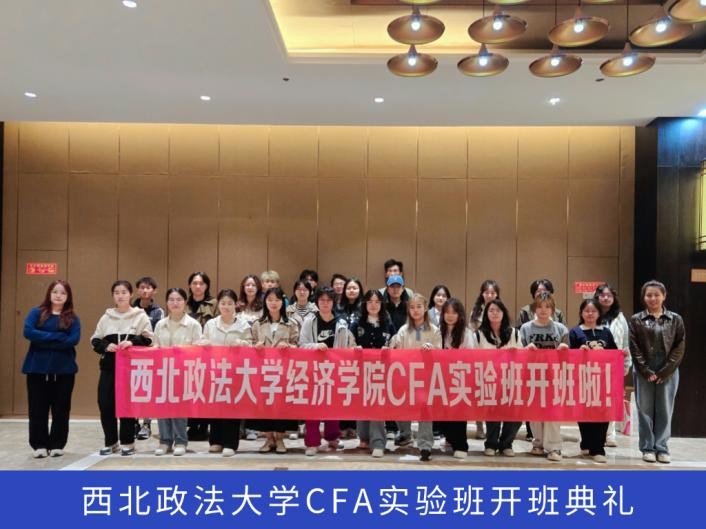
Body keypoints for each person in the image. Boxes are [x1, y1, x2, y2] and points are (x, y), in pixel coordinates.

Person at [91, 280, 152, 456]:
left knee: (127, 405)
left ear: (131, 294)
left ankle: (128, 442)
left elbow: (149, 339)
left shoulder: (140, 316)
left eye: (124, 292)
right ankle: (111, 442)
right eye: (116, 293)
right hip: (108, 368)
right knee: (105, 404)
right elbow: (95, 340)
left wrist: (132, 342)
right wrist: (106, 346)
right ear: (113, 296)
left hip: (131, 369)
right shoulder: (106, 317)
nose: (120, 296)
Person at [22, 280, 81, 458]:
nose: (58, 295)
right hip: (37, 369)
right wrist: (57, 337)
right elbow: (28, 332)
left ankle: (57, 444)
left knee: (61, 409)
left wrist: (43, 339)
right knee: (37, 408)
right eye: (55, 291)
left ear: (68, 296)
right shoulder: (36, 312)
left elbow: (73, 340)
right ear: (49, 293)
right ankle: (39, 445)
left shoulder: (73, 318)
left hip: (64, 370)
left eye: (63, 293)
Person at [629, 280, 685, 464]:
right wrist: (645, 370)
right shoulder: (636, 319)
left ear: (664, 296)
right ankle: (647, 448)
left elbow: (679, 346)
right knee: (644, 410)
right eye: (649, 295)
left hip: (668, 370)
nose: (652, 298)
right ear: (644, 297)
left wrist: (666, 371)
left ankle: (662, 448)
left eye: (656, 295)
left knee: (665, 410)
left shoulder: (675, 319)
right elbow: (634, 346)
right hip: (643, 369)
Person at [299, 286, 356, 455]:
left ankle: (332, 437)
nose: (325, 303)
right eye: (322, 300)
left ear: (334, 302)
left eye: (328, 300)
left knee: (333, 406)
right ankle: (312, 442)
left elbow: (347, 346)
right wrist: (316, 346)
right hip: (313, 370)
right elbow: (301, 345)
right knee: (313, 407)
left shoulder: (342, 322)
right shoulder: (309, 321)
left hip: (334, 370)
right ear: (317, 302)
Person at [390, 293, 441, 461]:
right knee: (400, 405)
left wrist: (432, 348)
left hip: (426, 378)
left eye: (419, 306)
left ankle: (425, 445)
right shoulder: (403, 330)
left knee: (425, 409)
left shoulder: (434, 330)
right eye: (412, 307)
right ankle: (405, 434)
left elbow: (440, 353)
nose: (416, 310)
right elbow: (396, 352)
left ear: (425, 308)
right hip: (405, 376)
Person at [153, 287, 203, 456]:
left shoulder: (193, 324)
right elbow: (155, 345)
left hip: (184, 372)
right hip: (163, 371)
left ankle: (181, 441)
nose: (175, 303)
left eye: (179, 299)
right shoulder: (160, 324)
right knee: (163, 407)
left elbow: (199, 348)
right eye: (171, 300)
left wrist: (183, 350)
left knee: (180, 408)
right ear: (167, 303)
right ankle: (164, 441)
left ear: (185, 302)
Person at [519, 292, 569, 462]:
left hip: (554, 376)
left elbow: (569, 356)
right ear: (534, 308)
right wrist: (526, 350)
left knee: (553, 413)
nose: (543, 310)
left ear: (553, 310)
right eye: (540, 306)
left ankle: (554, 447)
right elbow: (519, 352)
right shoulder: (525, 328)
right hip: (532, 376)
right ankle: (538, 443)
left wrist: (563, 350)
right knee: (534, 412)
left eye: (547, 307)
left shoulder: (561, 329)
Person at [201, 288, 251, 457]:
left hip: (235, 371)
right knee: (215, 406)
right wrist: (204, 343)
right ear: (218, 305)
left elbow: (250, 345)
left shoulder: (243, 325)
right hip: (214, 370)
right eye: (223, 303)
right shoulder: (210, 324)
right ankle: (215, 441)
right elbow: (203, 341)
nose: (226, 306)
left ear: (236, 304)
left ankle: (230, 443)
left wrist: (241, 343)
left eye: (230, 303)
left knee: (232, 407)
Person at [470, 299, 523, 457]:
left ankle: (506, 444)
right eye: (491, 310)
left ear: (503, 313)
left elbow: (522, 356)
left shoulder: (514, 333)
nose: (494, 313)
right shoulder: (478, 335)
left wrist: (515, 353)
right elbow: (474, 359)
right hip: (489, 380)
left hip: (511, 380)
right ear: (486, 314)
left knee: (515, 414)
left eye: (498, 310)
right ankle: (491, 443)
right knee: (493, 413)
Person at [251, 287, 300, 454]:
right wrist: (255, 346)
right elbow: (250, 344)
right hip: (263, 371)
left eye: (277, 300)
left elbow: (298, 345)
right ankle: (268, 439)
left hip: (284, 372)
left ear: (283, 302)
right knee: (265, 405)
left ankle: (279, 439)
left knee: (281, 405)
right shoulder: (258, 324)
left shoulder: (291, 323)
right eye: (270, 299)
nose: (273, 303)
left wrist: (289, 346)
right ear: (265, 302)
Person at [569, 299, 618, 463]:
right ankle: (586, 443)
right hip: (582, 379)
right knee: (583, 412)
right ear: (581, 313)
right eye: (586, 311)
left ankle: (598, 448)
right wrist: (579, 352)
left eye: (593, 311)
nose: (590, 314)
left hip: (603, 380)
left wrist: (621, 354)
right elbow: (569, 356)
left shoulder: (606, 332)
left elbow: (614, 353)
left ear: (599, 313)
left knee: (603, 413)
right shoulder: (575, 332)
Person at [349, 290, 396, 458]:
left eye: (377, 302)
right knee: (362, 404)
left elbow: (395, 344)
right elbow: (349, 342)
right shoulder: (357, 323)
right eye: (370, 302)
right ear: (365, 304)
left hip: (381, 372)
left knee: (377, 406)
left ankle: (378, 442)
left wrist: (388, 349)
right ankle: (364, 437)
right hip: (360, 370)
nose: (373, 305)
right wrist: (354, 348)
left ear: (382, 304)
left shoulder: (388, 323)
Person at [593, 283, 633, 447]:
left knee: (611, 400)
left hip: (614, 365)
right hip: (594, 365)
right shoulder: (591, 313)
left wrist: (626, 364)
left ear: (614, 298)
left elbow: (626, 343)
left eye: (609, 295)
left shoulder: (620, 317)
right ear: (597, 297)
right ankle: (593, 434)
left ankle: (610, 435)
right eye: (602, 295)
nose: (605, 298)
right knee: (594, 399)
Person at [438, 298, 473, 459]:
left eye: (454, 312)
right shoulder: (438, 331)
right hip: (441, 378)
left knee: (459, 414)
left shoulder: (466, 333)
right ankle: (451, 440)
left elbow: (470, 355)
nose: (450, 316)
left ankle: (461, 445)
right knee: (442, 414)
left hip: (460, 377)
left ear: (460, 315)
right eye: (447, 312)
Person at [132, 276, 165, 441]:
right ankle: (133, 423)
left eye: (148, 287)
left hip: (150, 357)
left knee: (148, 390)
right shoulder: (130, 309)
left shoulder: (158, 311)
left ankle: (146, 424)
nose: (145, 290)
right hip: (132, 355)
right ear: (137, 290)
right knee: (133, 390)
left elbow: (157, 334)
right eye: (142, 287)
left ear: (154, 291)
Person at [186, 272, 216, 441]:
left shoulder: (214, 303)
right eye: (194, 283)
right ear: (190, 285)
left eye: (201, 283)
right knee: (190, 388)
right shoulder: (184, 302)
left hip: (207, 353)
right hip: (188, 353)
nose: (198, 286)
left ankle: (204, 426)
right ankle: (191, 425)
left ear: (207, 286)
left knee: (204, 389)